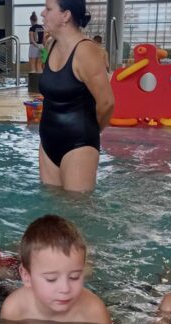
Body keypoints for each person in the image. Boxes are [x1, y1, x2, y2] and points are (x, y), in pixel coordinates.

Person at [0, 215, 124, 324]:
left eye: (74, 277)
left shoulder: (92, 309)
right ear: (27, 276)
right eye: (51, 279)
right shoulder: (15, 308)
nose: (65, 289)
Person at [38, 0, 114, 193]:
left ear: (66, 15)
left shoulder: (86, 51)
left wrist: (92, 131)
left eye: (48, 9)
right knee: (51, 205)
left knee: (77, 208)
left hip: (79, 144)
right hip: (47, 142)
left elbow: (107, 103)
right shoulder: (51, 44)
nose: (42, 13)